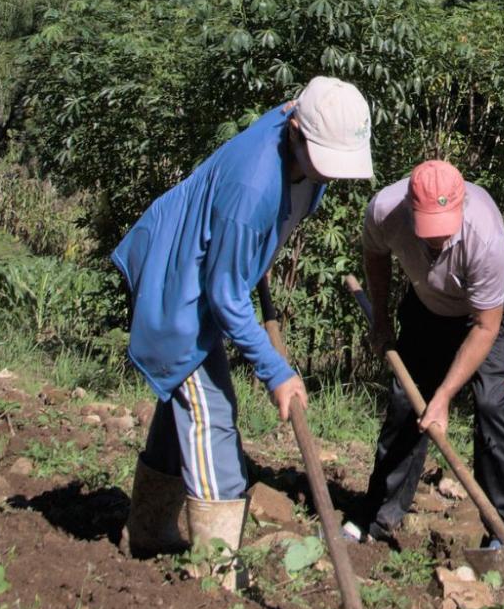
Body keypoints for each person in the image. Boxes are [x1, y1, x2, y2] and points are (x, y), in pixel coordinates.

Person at [113, 75, 374, 575]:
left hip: (202, 270)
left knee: (183, 401)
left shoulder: (297, 130)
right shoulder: (253, 187)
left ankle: (147, 531)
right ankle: (216, 574)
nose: (331, 174)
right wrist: (275, 371)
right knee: (211, 412)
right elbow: (226, 297)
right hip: (178, 287)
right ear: (296, 131)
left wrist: (253, 255)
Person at [360, 158, 504, 548]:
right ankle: (379, 517)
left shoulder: (484, 235)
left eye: (444, 229)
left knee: (491, 403)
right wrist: (381, 318)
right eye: (428, 228)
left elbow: (485, 327)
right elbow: (375, 254)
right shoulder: (385, 210)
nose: (436, 239)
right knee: (406, 401)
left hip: (486, 311)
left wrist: (444, 396)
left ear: (461, 205)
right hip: (428, 302)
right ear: (409, 207)